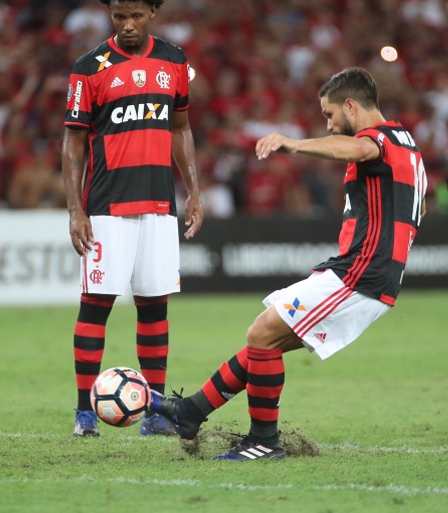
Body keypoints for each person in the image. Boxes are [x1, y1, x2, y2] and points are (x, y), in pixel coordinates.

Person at [151, 67, 427, 459]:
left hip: (361, 272)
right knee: (268, 338)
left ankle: (264, 441)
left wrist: (293, 144)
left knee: (262, 333)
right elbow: (419, 207)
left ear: (351, 106)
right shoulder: (407, 144)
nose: (329, 125)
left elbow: (359, 149)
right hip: (364, 269)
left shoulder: (377, 140)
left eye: (330, 114)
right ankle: (191, 412)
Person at [61, 0, 203, 437]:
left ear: (153, 13)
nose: (127, 25)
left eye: (136, 16)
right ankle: (85, 411)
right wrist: (76, 210)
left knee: (154, 307)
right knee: (96, 305)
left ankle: (156, 412)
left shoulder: (174, 61)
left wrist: (193, 191)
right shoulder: (89, 69)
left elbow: (181, 129)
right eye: (119, 16)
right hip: (106, 207)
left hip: (159, 205)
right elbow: (73, 144)